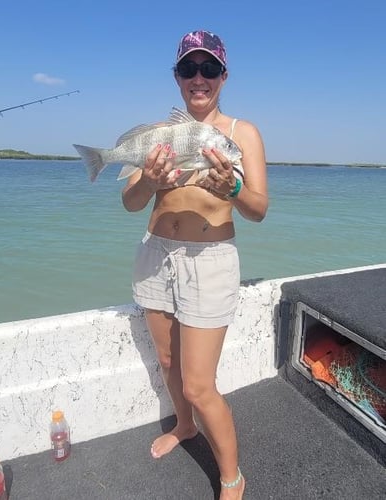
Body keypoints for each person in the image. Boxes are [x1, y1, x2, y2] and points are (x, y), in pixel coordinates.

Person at [122, 29, 268, 500]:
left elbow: (258, 209)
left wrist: (231, 190)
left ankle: (232, 477)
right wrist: (147, 178)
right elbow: (131, 202)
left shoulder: (240, 133)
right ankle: (185, 427)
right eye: (188, 68)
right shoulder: (159, 136)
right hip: (155, 255)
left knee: (201, 384)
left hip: (210, 262)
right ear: (177, 77)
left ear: (223, 75)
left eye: (208, 69)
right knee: (168, 360)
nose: (198, 78)